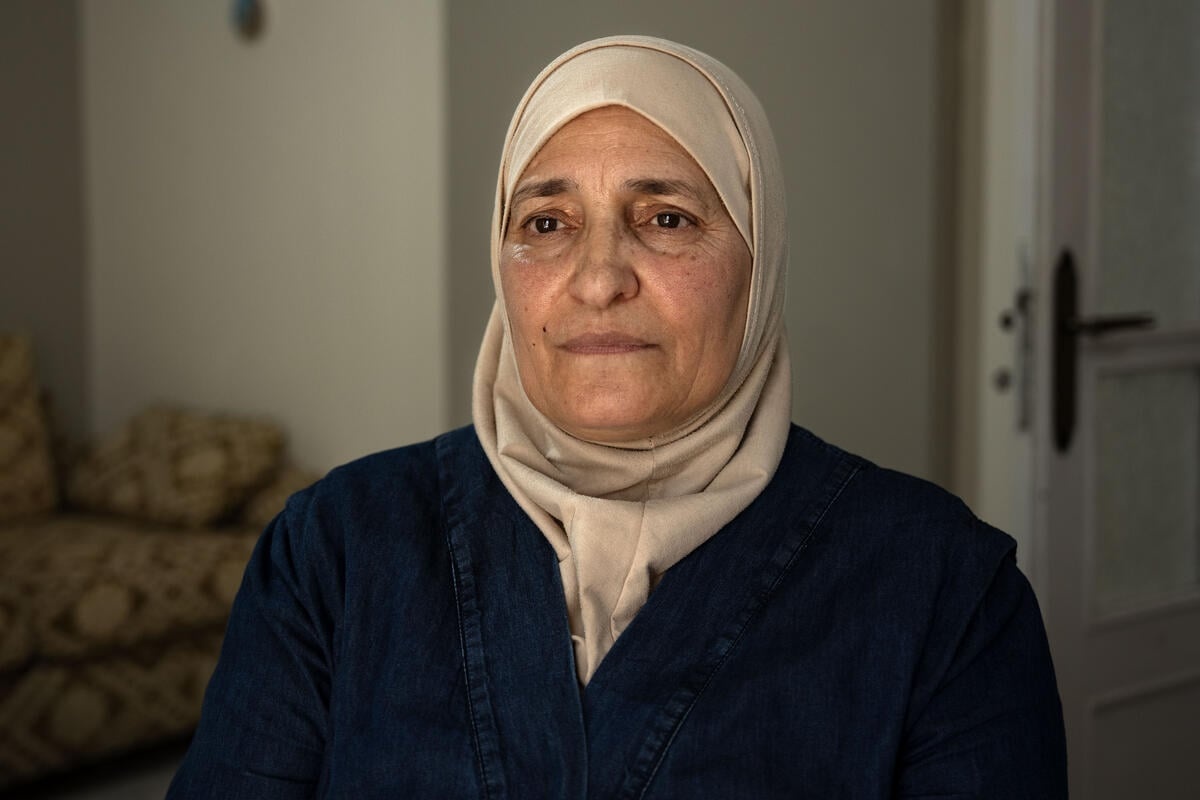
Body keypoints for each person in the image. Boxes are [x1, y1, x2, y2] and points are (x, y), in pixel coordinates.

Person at [167, 35, 1067, 798]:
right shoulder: (335, 551)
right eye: (548, 223)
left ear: (760, 264)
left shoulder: (946, 592)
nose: (599, 279)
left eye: (667, 219)